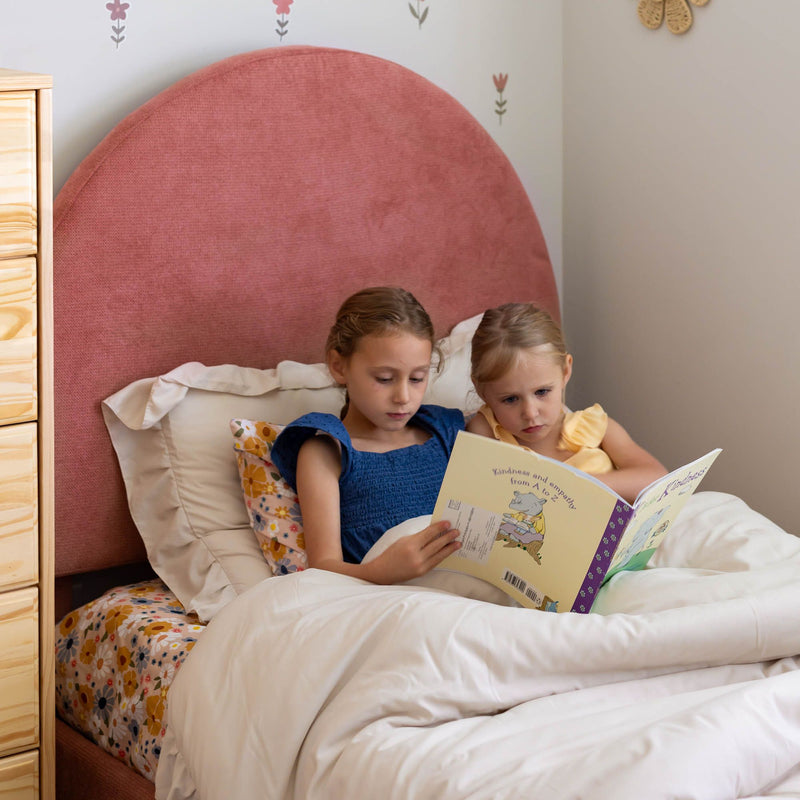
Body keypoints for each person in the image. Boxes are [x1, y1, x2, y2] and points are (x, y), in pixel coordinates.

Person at [271, 286, 463, 583]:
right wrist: (379, 572)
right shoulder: (328, 451)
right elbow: (323, 566)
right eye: (384, 379)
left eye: (417, 378)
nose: (403, 396)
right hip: (388, 599)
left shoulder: (446, 433)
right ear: (338, 366)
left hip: (470, 594)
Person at [467, 303, 666, 504]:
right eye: (510, 399)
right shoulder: (486, 431)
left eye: (542, 392)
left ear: (565, 371)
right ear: (481, 389)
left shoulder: (597, 429)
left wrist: (580, 487)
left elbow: (656, 477)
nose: (530, 412)